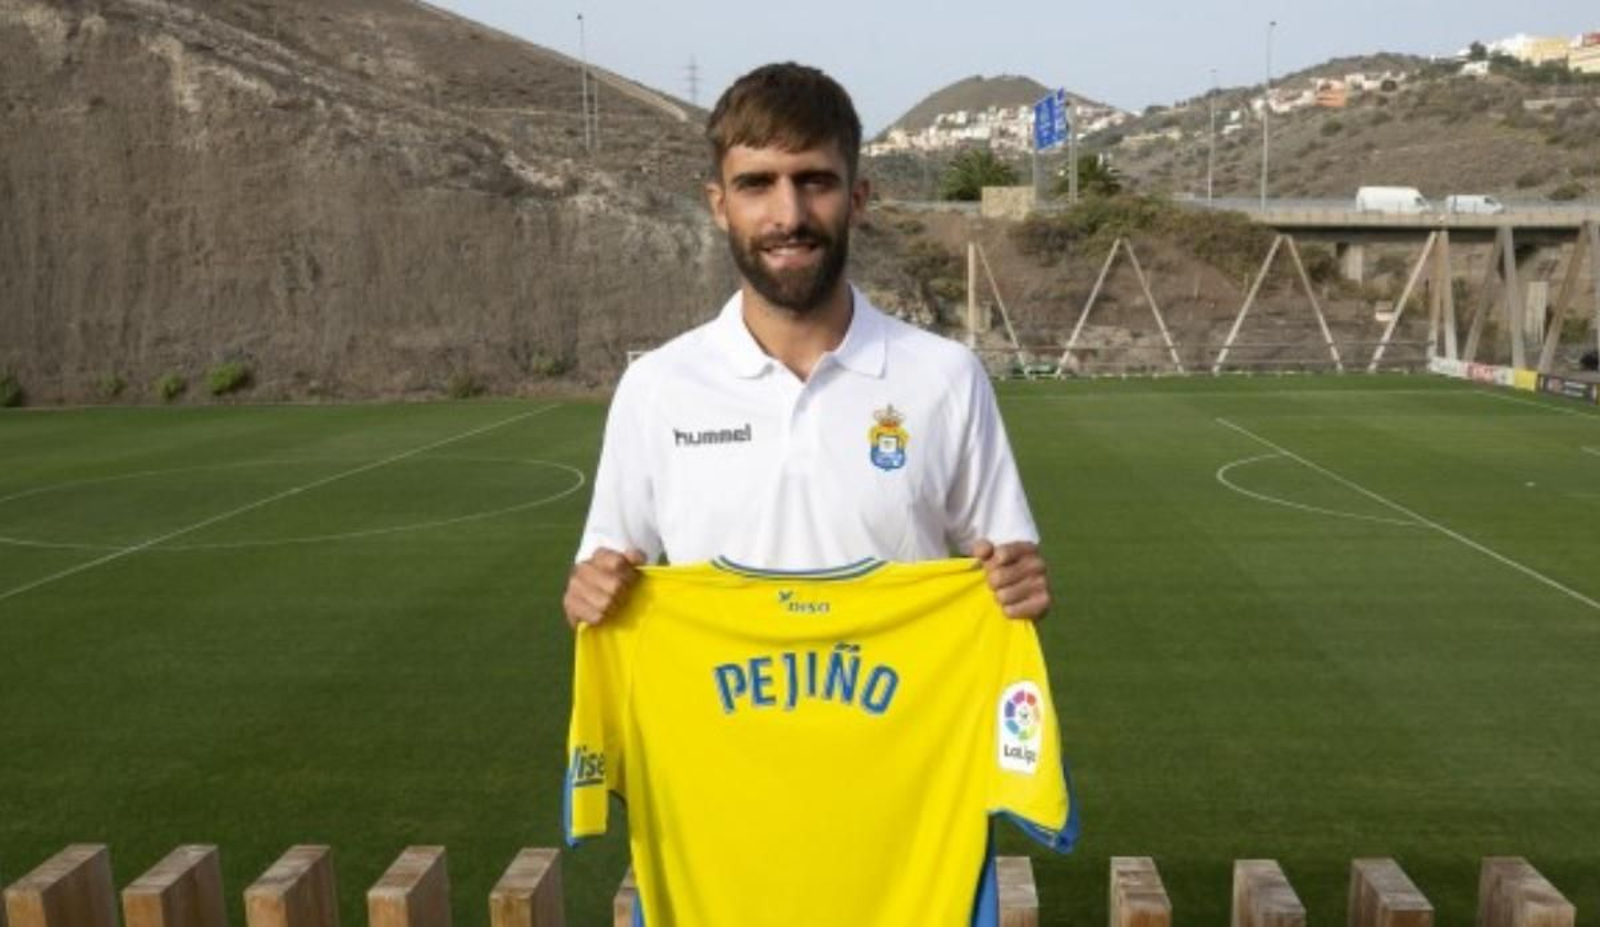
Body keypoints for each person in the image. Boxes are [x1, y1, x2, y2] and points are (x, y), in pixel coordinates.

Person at [563, 62, 1050, 627]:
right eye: (757, 184)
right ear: (719, 206)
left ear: (858, 199)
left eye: (815, 181)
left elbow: (1008, 575)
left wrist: (1020, 585)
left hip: (901, 692)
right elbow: (601, 586)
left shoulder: (947, 376)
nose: (789, 215)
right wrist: (586, 596)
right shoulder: (656, 387)